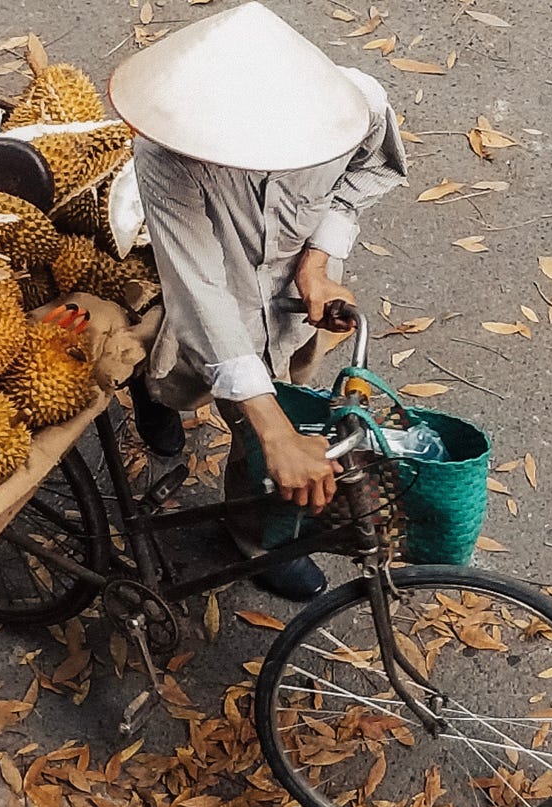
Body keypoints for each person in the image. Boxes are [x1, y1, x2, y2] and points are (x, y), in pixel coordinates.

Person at [108, 0, 407, 600]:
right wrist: (273, 431)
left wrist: (318, 260)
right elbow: (200, 288)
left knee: (281, 418)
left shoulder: (357, 107)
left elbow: (365, 175)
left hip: (291, 304)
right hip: (218, 292)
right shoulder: (168, 153)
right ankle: (153, 393)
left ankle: (253, 540)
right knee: (239, 406)